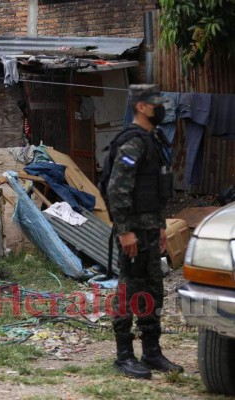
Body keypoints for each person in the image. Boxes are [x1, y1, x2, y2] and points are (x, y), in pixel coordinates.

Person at [107, 84, 183, 379]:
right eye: (155, 103)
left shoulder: (154, 140)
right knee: (129, 291)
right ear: (140, 106)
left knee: (153, 289)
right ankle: (124, 355)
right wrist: (125, 231)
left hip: (152, 230)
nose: (161, 107)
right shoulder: (132, 143)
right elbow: (117, 190)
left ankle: (151, 352)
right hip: (133, 232)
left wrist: (162, 226)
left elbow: (156, 191)